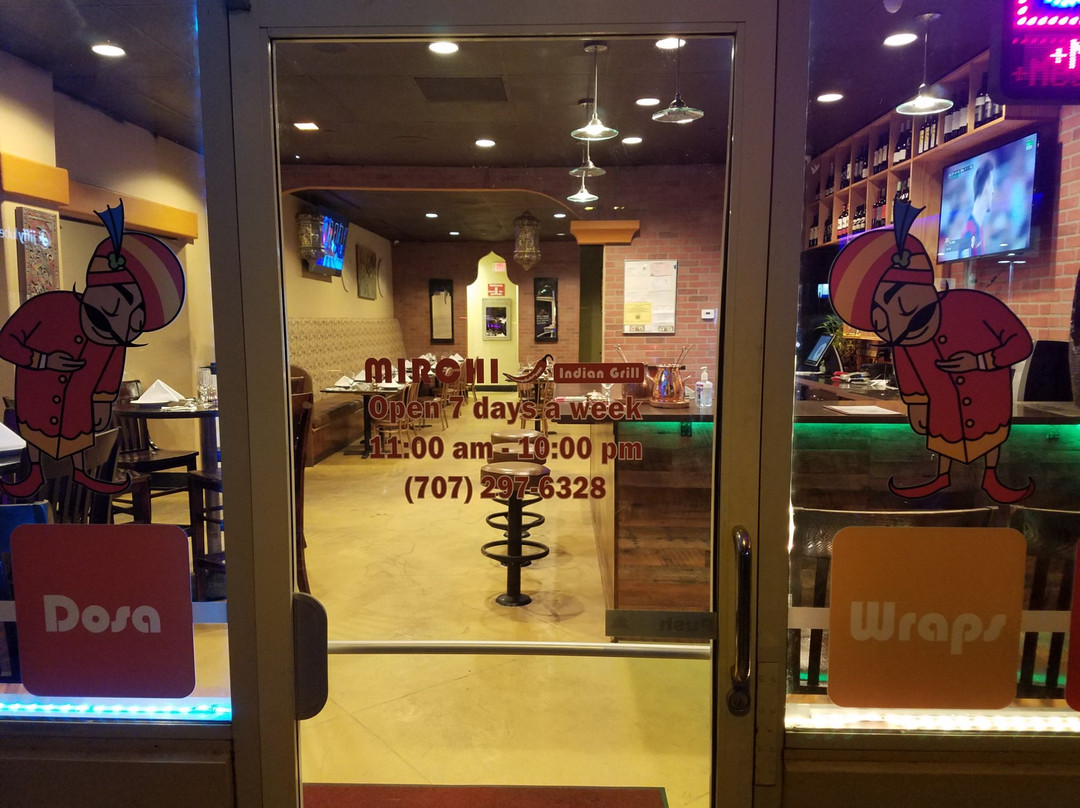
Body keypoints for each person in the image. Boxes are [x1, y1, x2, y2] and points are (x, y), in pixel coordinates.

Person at [828, 201, 1034, 504]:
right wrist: (917, 405)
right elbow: (909, 374)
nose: (897, 323)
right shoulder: (904, 341)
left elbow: (1020, 344)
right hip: (944, 409)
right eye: (881, 320)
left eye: (899, 302)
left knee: (991, 435)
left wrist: (982, 361)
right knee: (945, 437)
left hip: (989, 402)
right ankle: (941, 476)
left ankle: (990, 476)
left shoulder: (974, 305)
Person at [0, 201, 185, 497]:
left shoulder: (113, 340)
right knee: (36, 433)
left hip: (78, 404)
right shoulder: (50, 307)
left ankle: (81, 474)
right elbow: (7, 341)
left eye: (136, 320)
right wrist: (41, 360)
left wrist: (101, 401)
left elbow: (111, 369)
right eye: (117, 303)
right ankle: (34, 473)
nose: (120, 323)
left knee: (78, 435)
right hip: (36, 395)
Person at [959, 158, 994, 259]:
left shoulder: (979, 229)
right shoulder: (969, 231)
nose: (993, 191)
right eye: (992, 184)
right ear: (986, 186)